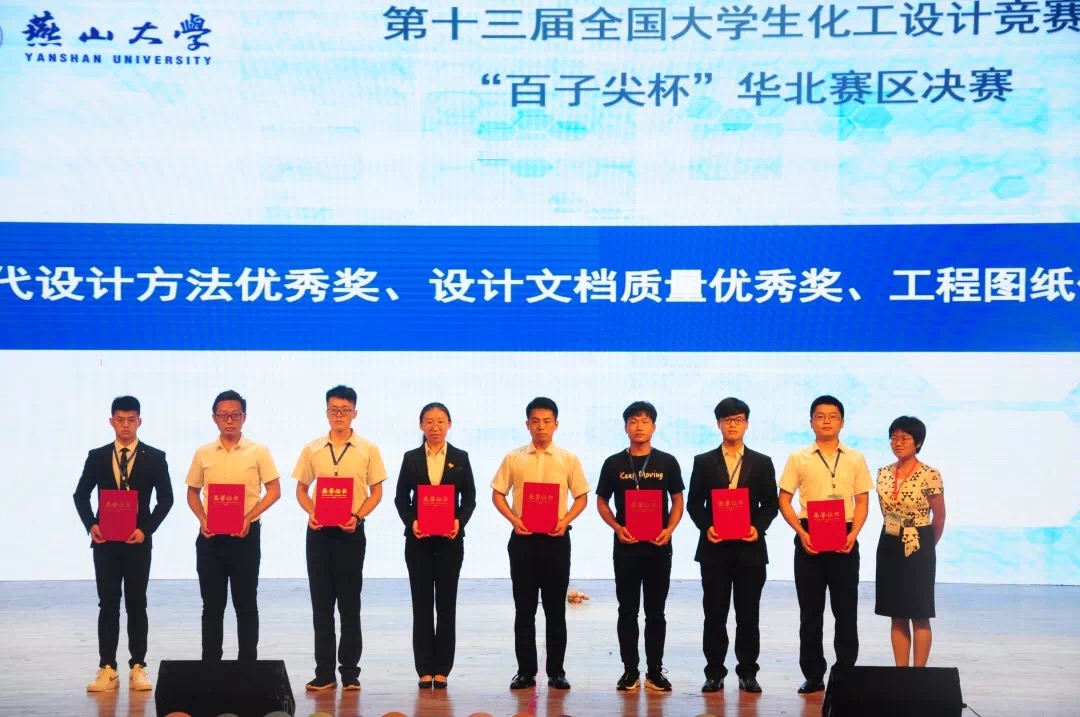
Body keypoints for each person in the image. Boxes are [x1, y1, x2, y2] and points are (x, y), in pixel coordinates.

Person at [74, 395, 173, 692]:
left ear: (139, 421)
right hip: (105, 542)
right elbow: (80, 495)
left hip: (137, 542)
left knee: (137, 602)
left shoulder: (155, 457)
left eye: (131, 420)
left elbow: (166, 499)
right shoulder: (97, 456)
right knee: (108, 603)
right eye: (120, 420)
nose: (125, 425)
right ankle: (108, 667)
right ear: (111, 422)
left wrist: (146, 530)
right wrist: (91, 524)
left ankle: (138, 666)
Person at [491, 397, 589, 691]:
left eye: (547, 422)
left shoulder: (568, 459)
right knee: (524, 609)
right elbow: (498, 494)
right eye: (535, 421)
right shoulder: (514, 458)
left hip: (556, 541)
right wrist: (513, 520)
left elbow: (581, 497)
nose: (541, 427)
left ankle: (556, 672)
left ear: (556, 425)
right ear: (527, 425)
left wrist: (565, 520)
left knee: (555, 609)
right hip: (523, 540)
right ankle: (525, 672)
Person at [293, 385, 387, 692]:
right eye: (334, 410)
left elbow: (377, 492)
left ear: (354, 414)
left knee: (349, 604)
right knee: (321, 605)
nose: (339, 415)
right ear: (326, 413)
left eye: (345, 410)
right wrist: (312, 511)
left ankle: (349, 673)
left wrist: (358, 516)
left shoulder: (368, 449)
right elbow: (301, 489)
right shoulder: (312, 449)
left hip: (351, 533)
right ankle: (324, 673)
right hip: (319, 534)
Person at [777, 395, 872, 694]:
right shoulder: (798, 457)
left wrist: (854, 534)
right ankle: (813, 674)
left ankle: (845, 673)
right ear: (811, 422)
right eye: (820, 416)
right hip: (810, 537)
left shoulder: (855, 458)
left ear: (842, 423)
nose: (826, 421)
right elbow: (784, 499)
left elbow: (862, 501)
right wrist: (800, 532)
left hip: (845, 536)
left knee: (846, 611)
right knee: (811, 612)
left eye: (833, 416)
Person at [687, 397, 778, 694]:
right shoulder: (703, 461)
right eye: (727, 420)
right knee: (714, 614)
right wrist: (707, 527)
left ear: (747, 424)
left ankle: (748, 672)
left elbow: (771, 504)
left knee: (748, 615)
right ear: (718, 424)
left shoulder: (762, 462)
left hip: (750, 550)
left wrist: (757, 528)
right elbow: (694, 504)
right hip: (714, 549)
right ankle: (714, 673)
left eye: (738, 419)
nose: (733, 425)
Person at [596, 401, 685, 693]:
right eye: (633, 421)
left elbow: (678, 500)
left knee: (656, 612)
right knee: (627, 611)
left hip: (659, 547)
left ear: (654, 427)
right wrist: (616, 527)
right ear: (625, 427)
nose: (639, 427)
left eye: (645, 421)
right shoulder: (613, 463)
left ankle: (655, 672)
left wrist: (669, 530)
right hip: (626, 546)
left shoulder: (667, 462)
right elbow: (601, 501)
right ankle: (630, 671)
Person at [185, 389, 281, 661]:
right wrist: (202, 519)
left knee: (246, 605)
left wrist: (249, 517)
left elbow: (274, 490)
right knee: (212, 607)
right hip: (210, 537)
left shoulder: (258, 451)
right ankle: (211, 667)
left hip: (245, 537)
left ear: (244, 417)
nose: (229, 420)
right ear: (214, 418)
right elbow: (192, 492)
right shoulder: (203, 453)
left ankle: (247, 667)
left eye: (235, 415)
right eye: (223, 415)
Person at [394, 402, 477, 689]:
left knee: (446, 604)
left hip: (449, 542)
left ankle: (442, 668)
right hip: (418, 541)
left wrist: (459, 522)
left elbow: (470, 498)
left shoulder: (461, 457)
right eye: (429, 421)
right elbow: (401, 497)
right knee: (421, 605)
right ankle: (424, 668)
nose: (435, 427)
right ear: (421, 425)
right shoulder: (411, 458)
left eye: (441, 421)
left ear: (449, 424)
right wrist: (412, 522)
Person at [875, 416, 946, 667]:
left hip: (919, 542)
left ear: (918, 443)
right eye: (894, 438)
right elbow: (885, 510)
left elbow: (939, 516)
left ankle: (918, 675)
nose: (898, 443)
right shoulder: (883, 472)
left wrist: (926, 546)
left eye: (905, 438)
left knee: (919, 612)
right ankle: (901, 673)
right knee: (896, 612)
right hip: (890, 540)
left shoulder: (930, 474)